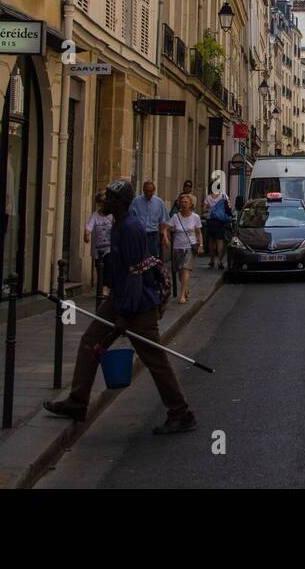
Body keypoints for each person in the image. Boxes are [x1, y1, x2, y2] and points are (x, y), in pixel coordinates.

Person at [44, 178, 197, 435]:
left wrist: (125, 315)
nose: (106, 201)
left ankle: (181, 411)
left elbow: (136, 274)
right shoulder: (118, 225)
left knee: (154, 359)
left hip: (138, 306)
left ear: (122, 203)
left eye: (111, 198)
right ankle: (78, 401)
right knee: (90, 342)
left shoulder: (131, 229)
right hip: (120, 300)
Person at [168, 194, 204, 304]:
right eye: (182, 202)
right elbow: (167, 228)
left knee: (185, 270)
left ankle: (182, 295)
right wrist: (166, 237)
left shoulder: (195, 217)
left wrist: (201, 245)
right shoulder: (175, 217)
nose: (183, 204)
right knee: (180, 272)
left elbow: (198, 233)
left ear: (191, 204)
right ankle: (186, 288)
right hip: (177, 246)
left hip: (190, 246)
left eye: (185, 202)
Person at [131, 181, 171, 258]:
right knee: (140, 257)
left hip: (153, 236)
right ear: (143, 190)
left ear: (154, 191)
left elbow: (164, 221)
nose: (148, 193)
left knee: (153, 259)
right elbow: (131, 218)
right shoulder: (136, 202)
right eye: (146, 191)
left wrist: (164, 237)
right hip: (140, 235)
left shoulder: (159, 202)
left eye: (150, 191)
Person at [83, 192, 112, 289]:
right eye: (100, 202)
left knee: (108, 270)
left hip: (109, 249)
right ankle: (101, 291)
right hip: (98, 250)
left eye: (104, 202)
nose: (103, 204)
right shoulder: (94, 216)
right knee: (100, 270)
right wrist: (87, 234)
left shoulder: (111, 216)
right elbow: (89, 227)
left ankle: (105, 290)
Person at [203, 186, 231, 270]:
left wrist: (210, 209)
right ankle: (220, 261)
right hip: (220, 221)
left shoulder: (208, 197)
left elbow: (204, 209)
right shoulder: (223, 196)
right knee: (220, 241)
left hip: (211, 220)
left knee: (212, 240)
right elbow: (229, 206)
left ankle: (212, 260)